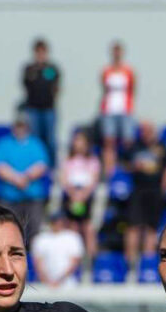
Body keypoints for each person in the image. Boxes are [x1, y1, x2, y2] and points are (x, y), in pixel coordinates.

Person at [0, 113, 49, 243]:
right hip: (9, 197)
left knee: (34, 232)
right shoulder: (4, 144)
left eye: (23, 125)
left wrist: (26, 177)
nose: (20, 128)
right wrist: (16, 178)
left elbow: (41, 165)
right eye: (18, 125)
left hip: (32, 197)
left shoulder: (36, 144)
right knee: (8, 231)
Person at [124, 120, 166, 267]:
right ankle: (130, 263)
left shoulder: (162, 147)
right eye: (142, 130)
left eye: (147, 130)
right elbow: (124, 164)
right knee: (133, 227)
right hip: (138, 190)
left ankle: (147, 264)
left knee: (151, 228)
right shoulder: (135, 147)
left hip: (155, 191)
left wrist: (165, 189)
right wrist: (134, 166)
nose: (144, 133)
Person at [61, 130, 100, 259]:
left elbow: (94, 180)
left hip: (86, 196)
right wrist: (73, 194)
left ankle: (90, 259)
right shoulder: (68, 160)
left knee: (87, 227)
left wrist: (83, 195)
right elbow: (64, 179)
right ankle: (72, 257)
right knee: (72, 227)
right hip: (71, 195)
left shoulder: (93, 161)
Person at [22, 39, 61, 168]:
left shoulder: (52, 69)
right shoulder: (29, 69)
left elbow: (56, 87)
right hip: (33, 109)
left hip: (49, 109)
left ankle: (52, 167)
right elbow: (26, 86)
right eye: (38, 52)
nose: (40, 55)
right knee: (36, 140)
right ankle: (37, 166)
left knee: (50, 140)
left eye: (43, 52)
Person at [99, 41, 136, 175]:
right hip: (109, 109)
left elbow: (133, 89)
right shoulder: (106, 71)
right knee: (109, 142)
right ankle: (110, 171)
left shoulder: (128, 71)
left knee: (128, 141)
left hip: (125, 109)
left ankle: (127, 168)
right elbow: (104, 88)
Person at [31, 211, 84, 288]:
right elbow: (38, 262)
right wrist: (47, 281)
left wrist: (59, 281)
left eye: (60, 221)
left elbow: (75, 262)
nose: (58, 223)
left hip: (68, 285)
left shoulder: (73, 237)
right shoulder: (40, 238)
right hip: (45, 284)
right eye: (55, 221)